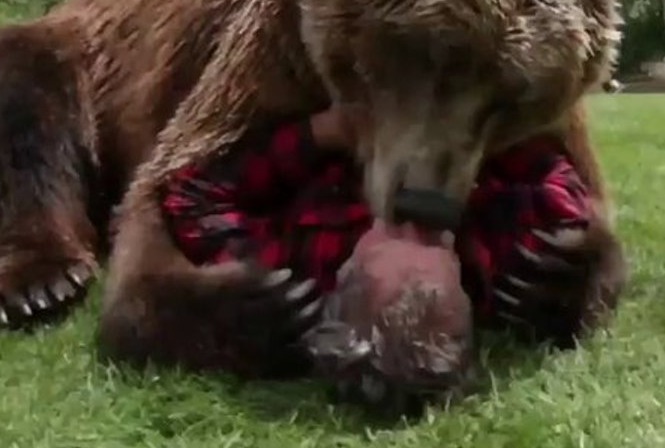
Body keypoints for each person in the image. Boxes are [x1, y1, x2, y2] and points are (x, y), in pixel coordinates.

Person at [159, 105, 600, 373]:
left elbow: (193, 195)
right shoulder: (502, 256)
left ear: (345, 273)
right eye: (435, 243)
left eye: (391, 234)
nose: (413, 213)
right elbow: (560, 180)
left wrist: (323, 131)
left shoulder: (304, 263)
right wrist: (472, 136)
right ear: (464, 290)